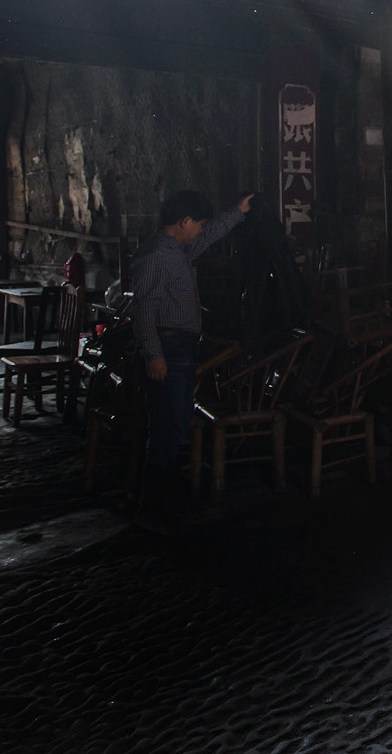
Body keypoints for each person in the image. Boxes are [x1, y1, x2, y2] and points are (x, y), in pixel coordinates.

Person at [131, 188, 254, 530]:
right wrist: (154, 355)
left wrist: (238, 211)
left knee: (175, 425)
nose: (201, 228)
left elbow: (210, 234)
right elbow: (144, 309)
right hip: (167, 350)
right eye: (197, 223)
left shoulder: (179, 248)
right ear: (184, 221)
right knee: (167, 430)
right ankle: (154, 510)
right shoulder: (157, 255)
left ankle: (166, 503)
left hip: (180, 349)